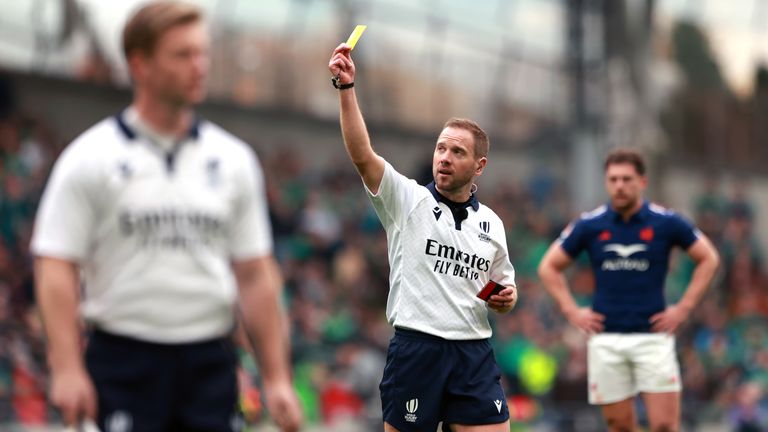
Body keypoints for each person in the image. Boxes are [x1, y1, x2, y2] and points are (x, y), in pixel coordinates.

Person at [30, 2, 302, 431]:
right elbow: (56, 263)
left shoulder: (234, 161)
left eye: (203, 53)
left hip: (209, 364)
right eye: (182, 55)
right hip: (124, 362)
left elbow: (254, 274)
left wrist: (277, 377)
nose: (199, 66)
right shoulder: (90, 158)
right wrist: (65, 367)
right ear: (140, 64)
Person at [328, 43, 519, 432]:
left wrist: (505, 298)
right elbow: (363, 155)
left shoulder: (493, 224)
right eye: (441, 148)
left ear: (479, 166)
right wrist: (346, 89)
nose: (444, 157)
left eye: (457, 152)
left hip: (473, 352)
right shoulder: (407, 200)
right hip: (418, 349)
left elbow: (498, 290)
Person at [537, 149, 720, 432]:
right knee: (619, 426)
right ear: (606, 182)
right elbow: (549, 266)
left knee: (663, 426)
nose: (619, 185)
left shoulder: (667, 222)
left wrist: (683, 308)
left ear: (642, 182)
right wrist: (570, 310)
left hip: (653, 338)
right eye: (613, 179)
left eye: (626, 179)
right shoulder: (590, 225)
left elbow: (708, 258)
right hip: (607, 339)